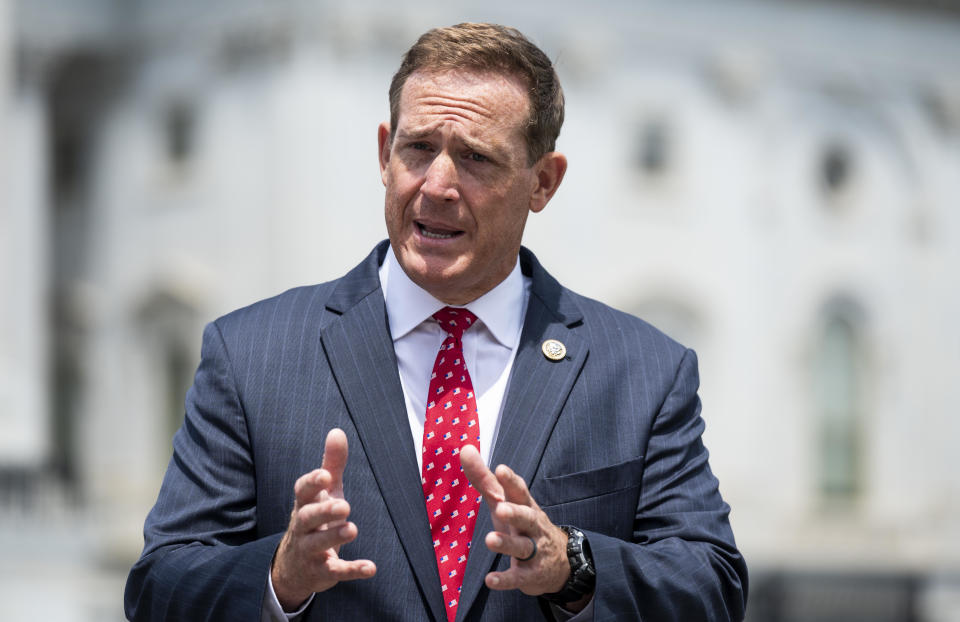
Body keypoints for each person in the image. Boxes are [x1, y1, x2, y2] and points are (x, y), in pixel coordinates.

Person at [124, 22, 747, 622]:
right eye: (418, 149)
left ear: (543, 182)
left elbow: (712, 588)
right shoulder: (252, 354)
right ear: (383, 153)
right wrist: (280, 576)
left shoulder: (642, 371)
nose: (438, 186)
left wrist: (571, 566)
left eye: (476, 158)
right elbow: (159, 589)